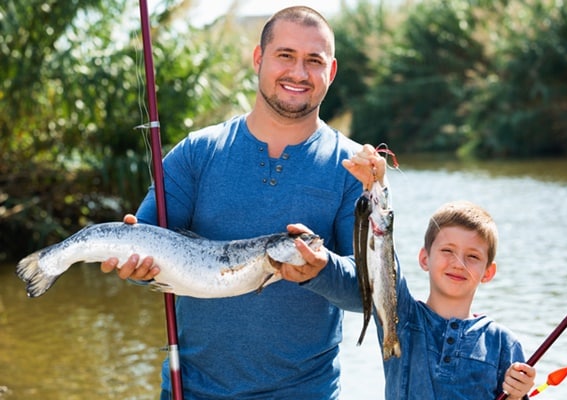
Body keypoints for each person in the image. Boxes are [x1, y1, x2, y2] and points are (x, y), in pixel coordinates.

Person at [101, 6, 367, 400]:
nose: (298, 72)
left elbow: (374, 293)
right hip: (191, 390)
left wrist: (320, 270)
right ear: (259, 59)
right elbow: (146, 248)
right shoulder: (196, 152)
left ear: (331, 72)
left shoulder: (357, 170)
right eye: (285, 55)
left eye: (314, 60)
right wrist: (135, 265)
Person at [343, 146, 537, 399]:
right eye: (448, 250)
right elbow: (383, 257)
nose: (459, 263)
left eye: (473, 256)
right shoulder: (403, 316)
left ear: (488, 273)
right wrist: (379, 184)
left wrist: (517, 393)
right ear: (424, 258)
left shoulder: (503, 343)